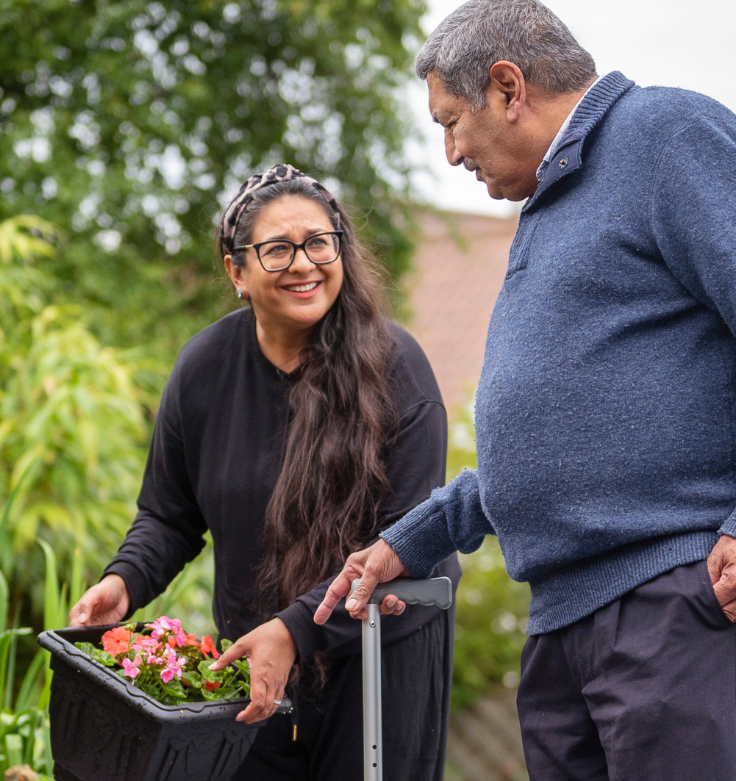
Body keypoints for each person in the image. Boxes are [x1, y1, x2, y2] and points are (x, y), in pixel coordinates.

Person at [315, 2, 736, 780]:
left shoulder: (664, 135)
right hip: (564, 623)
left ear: (508, 87)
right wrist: (415, 537)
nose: (448, 154)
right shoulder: (548, 205)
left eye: (451, 122)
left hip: (668, 601)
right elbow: (558, 442)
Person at [69, 164, 460, 781]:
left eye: (318, 242)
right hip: (256, 668)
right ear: (237, 271)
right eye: (277, 249)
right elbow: (169, 516)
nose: (303, 264)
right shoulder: (204, 368)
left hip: (380, 670)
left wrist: (296, 629)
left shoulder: (397, 370)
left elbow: (410, 542)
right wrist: (125, 580)